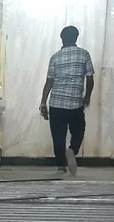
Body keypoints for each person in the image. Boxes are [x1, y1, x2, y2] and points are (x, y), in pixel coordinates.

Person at [39, 26, 94, 176]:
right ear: (76, 38)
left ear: (62, 39)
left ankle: (60, 167)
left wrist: (43, 102)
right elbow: (90, 78)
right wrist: (87, 96)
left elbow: (49, 82)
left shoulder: (55, 57)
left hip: (56, 103)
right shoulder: (84, 54)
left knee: (58, 135)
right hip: (75, 103)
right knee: (79, 130)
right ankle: (72, 150)